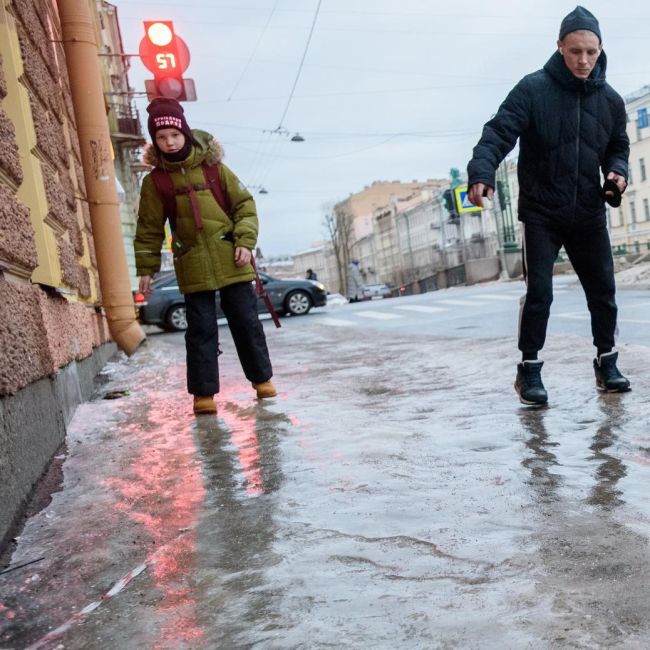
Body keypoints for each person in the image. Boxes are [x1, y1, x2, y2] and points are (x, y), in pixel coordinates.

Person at [466, 6, 631, 406]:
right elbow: (497, 133)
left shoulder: (610, 100)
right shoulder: (533, 89)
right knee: (540, 292)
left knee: (604, 291)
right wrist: (481, 172)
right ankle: (529, 370)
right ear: (559, 47)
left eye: (591, 52)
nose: (584, 61)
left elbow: (618, 146)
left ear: (601, 48)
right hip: (542, 211)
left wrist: (616, 171)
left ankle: (607, 362)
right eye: (575, 51)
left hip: (588, 211)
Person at [134, 98, 276, 415]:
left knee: (246, 322)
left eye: (174, 134)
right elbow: (148, 228)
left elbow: (245, 207)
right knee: (200, 330)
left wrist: (245, 241)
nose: (169, 142)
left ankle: (262, 379)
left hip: (231, 256)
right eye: (161, 137)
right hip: (191, 262)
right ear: (155, 141)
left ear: (184, 132)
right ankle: (203, 394)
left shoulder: (214, 168)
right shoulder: (155, 182)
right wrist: (146, 266)